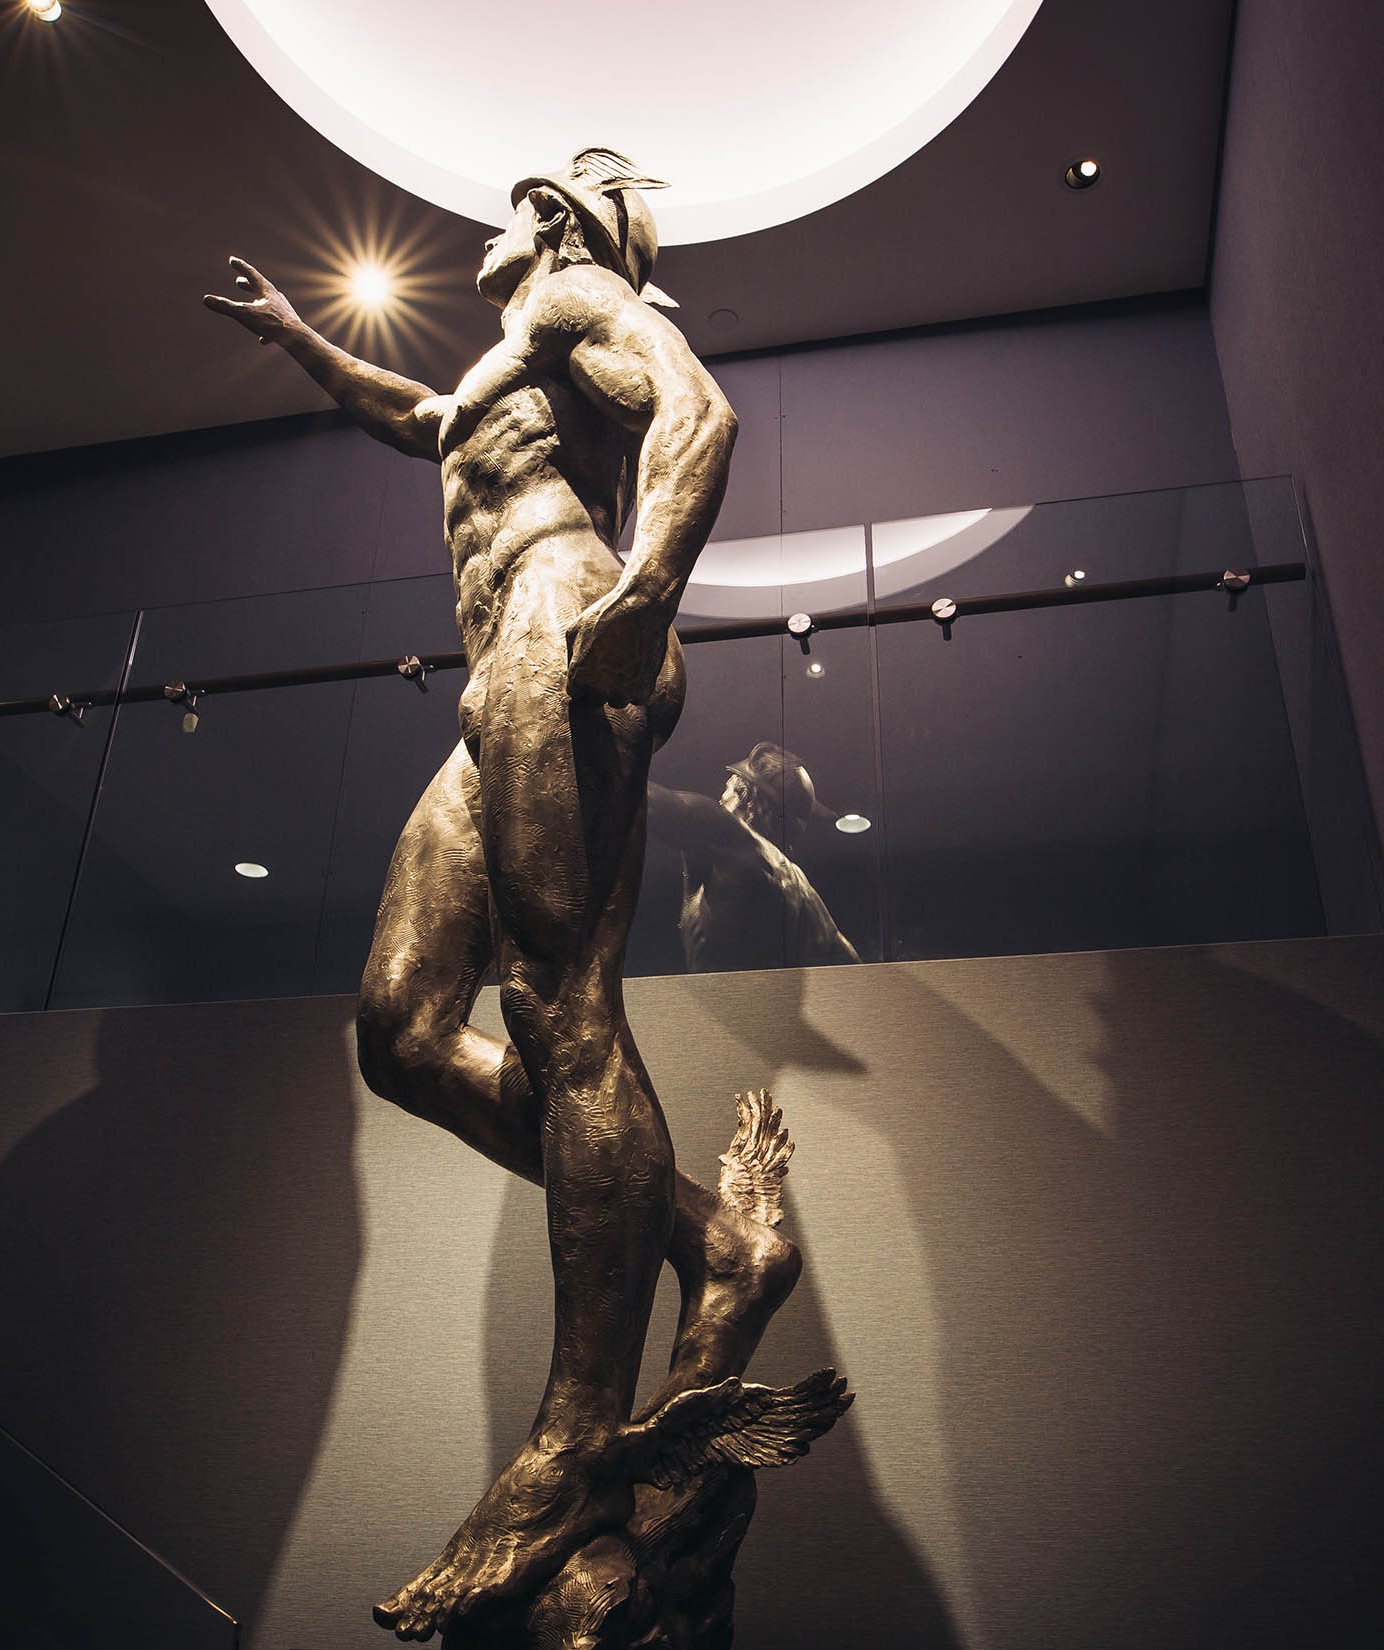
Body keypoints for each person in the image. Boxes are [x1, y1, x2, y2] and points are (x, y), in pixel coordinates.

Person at [207, 149, 825, 1641]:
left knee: (561, 1005)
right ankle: (718, 1239)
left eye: (508, 209)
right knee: (404, 1026)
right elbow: (418, 417)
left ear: (553, 217)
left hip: (568, 621)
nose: (488, 235)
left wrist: (650, 586)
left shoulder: (570, 292)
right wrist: (302, 343)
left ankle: (574, 1438)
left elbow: (700, 408)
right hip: (508, 662)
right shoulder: (506, 362)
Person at [649, 741, 862, 972]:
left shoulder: (732, 839)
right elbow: (849, 962)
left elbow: (649, 802)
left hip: (723, 1003)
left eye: (729, 787)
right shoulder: (801, 887)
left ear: (748, 798)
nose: (721, 797)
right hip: (767, 1004)